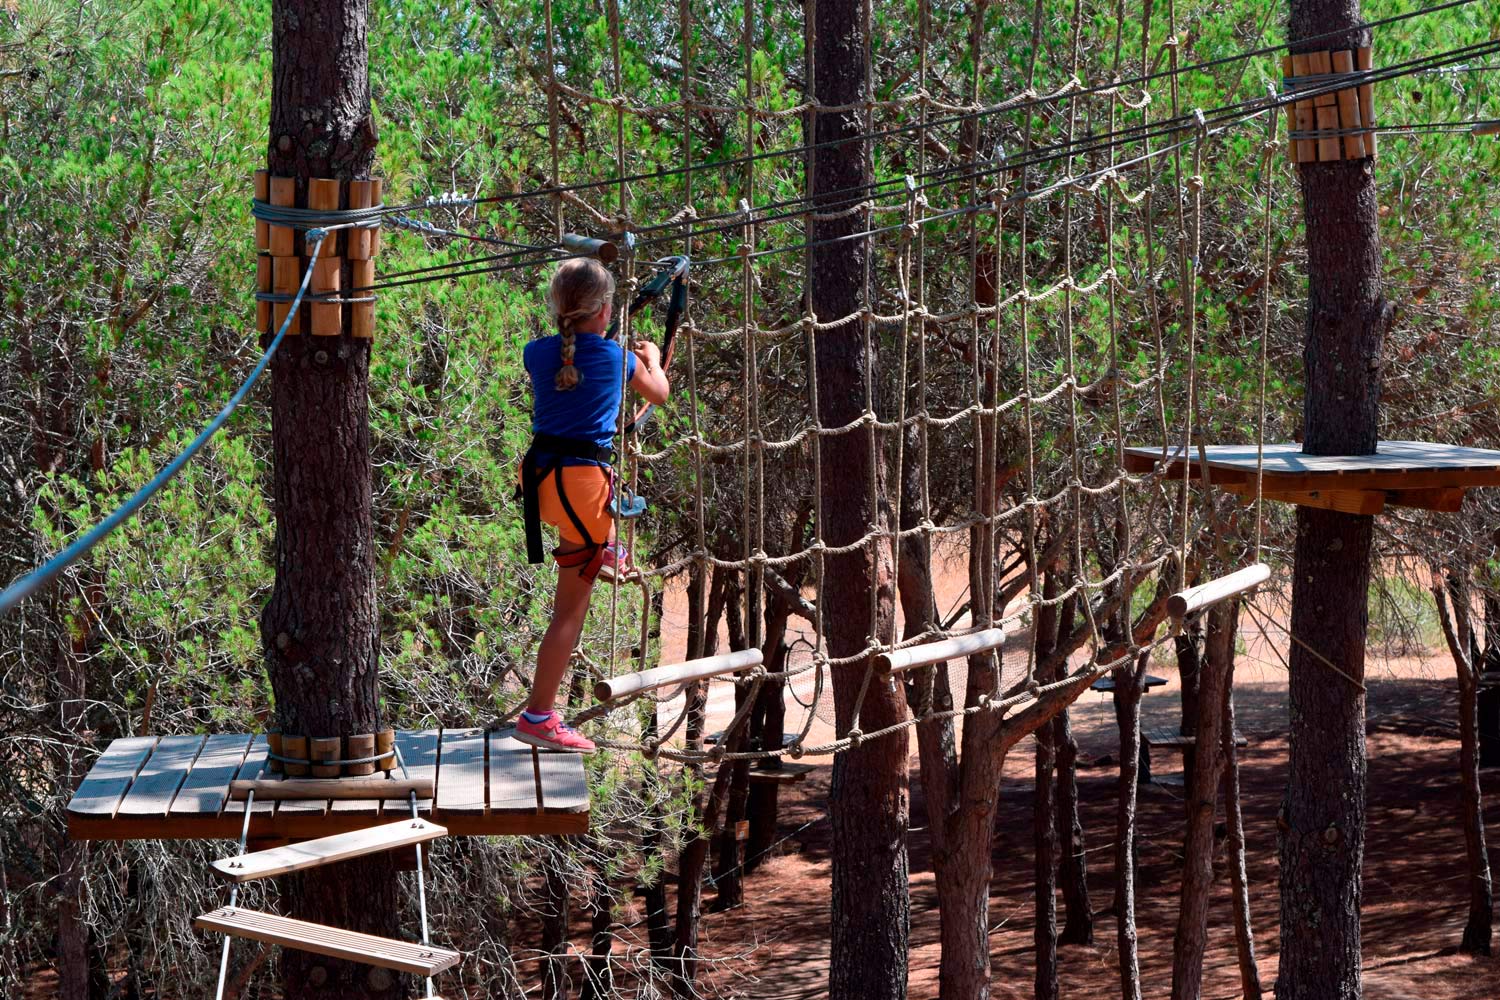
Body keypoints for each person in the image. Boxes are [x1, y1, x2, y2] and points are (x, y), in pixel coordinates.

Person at [513, 258, 670, 753]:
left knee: (584, 545)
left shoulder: (536, 353)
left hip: (540, 483)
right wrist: (653, 360)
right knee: (568, 615)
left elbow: (572, 364)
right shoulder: (619, 359)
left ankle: (601, 550)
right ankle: (538, 715)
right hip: (583, 489)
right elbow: (659, 394)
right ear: (605, 310)